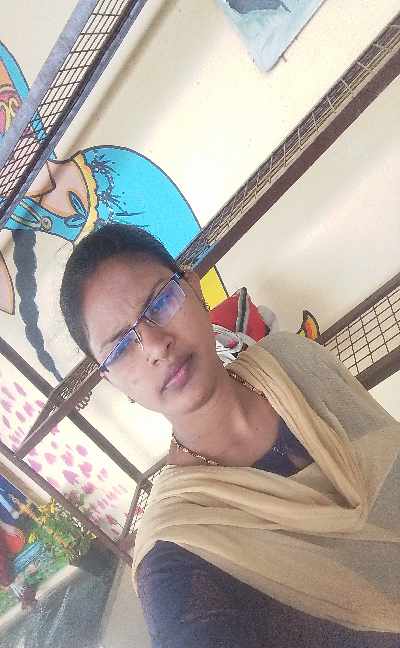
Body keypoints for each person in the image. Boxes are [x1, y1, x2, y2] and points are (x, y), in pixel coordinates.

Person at [59, 223, 400, 647]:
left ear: (194, 287)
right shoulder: (176, 554)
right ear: (112, 380)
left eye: (160, 302)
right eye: (121, 347)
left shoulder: (293, 361)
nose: (156, 346)